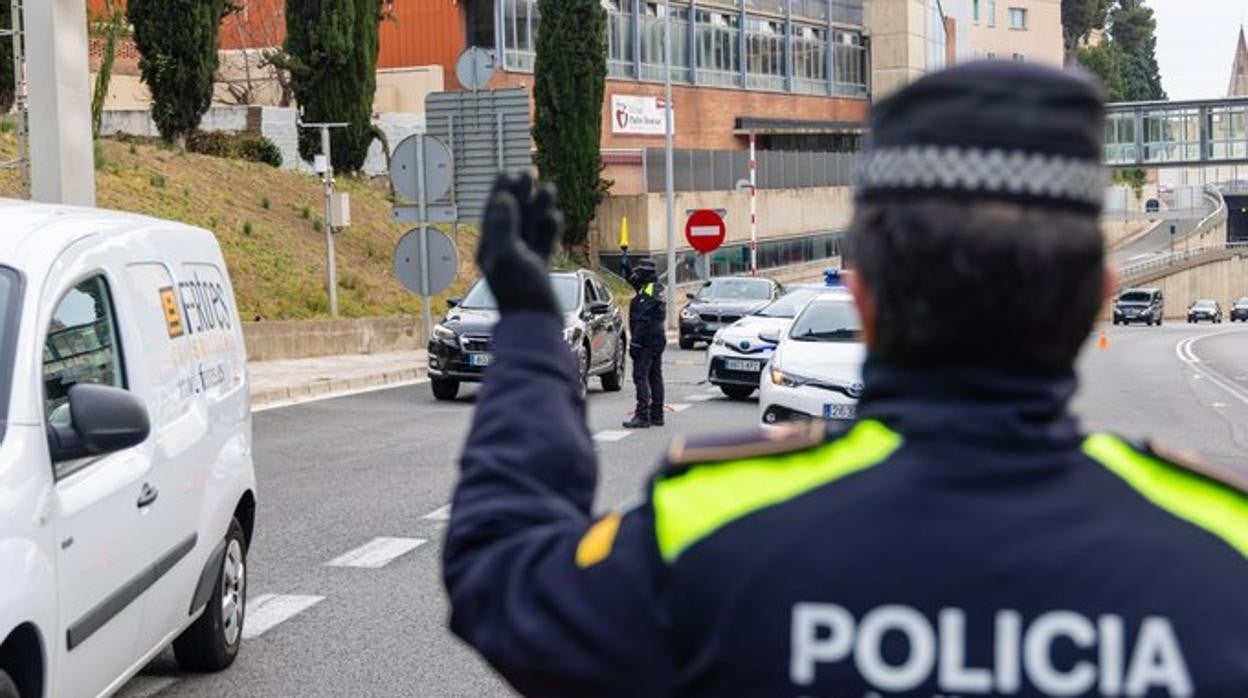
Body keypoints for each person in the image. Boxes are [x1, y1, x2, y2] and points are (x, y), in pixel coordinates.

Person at [443, 62, 1248, 697]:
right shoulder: (1223, 553)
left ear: (859, 294)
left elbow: (501, 577)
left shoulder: (710, 530)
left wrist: (525, 329)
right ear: (1101, 301)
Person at [619, 252, 667, 428]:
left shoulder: (647, 294)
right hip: (658, 338)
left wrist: (635, 343)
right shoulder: (655, 287)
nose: (636, 275)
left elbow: (642, 320)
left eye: (639, 272)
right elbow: (634, 282)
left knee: (640, 376)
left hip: (647, 339)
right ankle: (657, 415)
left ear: (645, 274)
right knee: (655, 376)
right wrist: (626, 266)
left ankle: (642, 416)